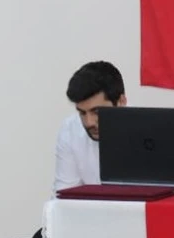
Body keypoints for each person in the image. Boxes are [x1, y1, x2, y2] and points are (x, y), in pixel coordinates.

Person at [54, 60, 127, 194]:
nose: (89, 122)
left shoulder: (148, 131)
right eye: (82, 113)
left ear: (121, 102)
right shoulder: (70, 130)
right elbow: (65, 196)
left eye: (97, 112)